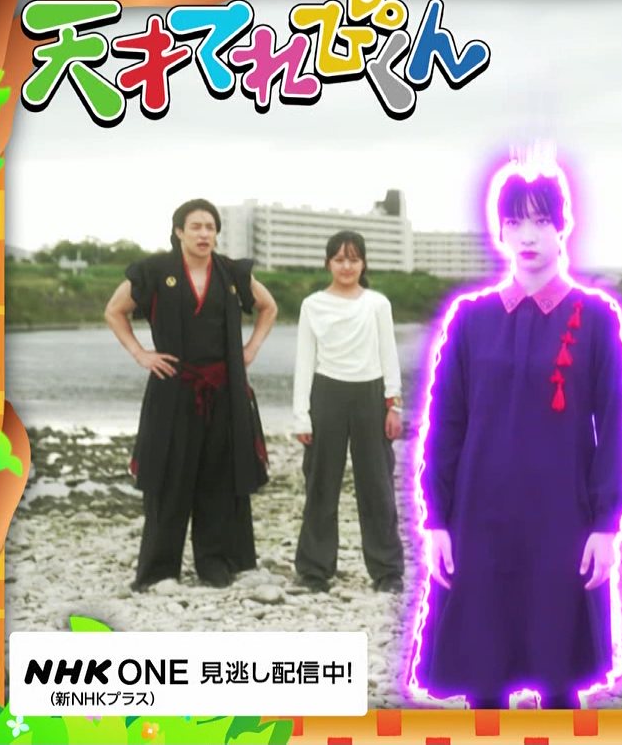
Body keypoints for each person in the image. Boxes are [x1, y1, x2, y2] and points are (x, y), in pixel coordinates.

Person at [409, 159, 622, 710]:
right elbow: (445, 424)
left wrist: (606, 525)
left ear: (563, 227)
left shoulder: (595, 317)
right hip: (479, 517)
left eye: (540, 221)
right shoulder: (471, 318)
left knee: (560, 676)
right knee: (483, 674)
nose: (527, 236)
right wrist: (436, 519)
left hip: (562, 518)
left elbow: (615, 425)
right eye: (514, 222)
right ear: (501, 231)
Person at [104, 198, 277, 591]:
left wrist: (251, 349)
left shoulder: (231, 272)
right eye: (196, 226)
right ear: (179, 231)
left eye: (210, 227)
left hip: (223, 390)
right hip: (173, 387)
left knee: (219, 474)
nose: (204, 234)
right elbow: (114, 310)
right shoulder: (154, 271)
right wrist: (140, 354)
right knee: (169, 475)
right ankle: (159, 571)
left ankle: (215, 565)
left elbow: (268, 307)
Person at [292, 231, 406, 594]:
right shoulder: (312, 305)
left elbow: (389, 355)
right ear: (328, 263)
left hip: (371, 395)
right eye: (339, 259)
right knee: (321, 485)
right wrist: (301, 414)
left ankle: (387, 571)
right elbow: (304, 362)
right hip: (326, 394)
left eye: (353, 259)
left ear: (363, 264)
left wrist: (394, 404)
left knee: (377, 486)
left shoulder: (377, 304)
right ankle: (314, 570)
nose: (346, 266)